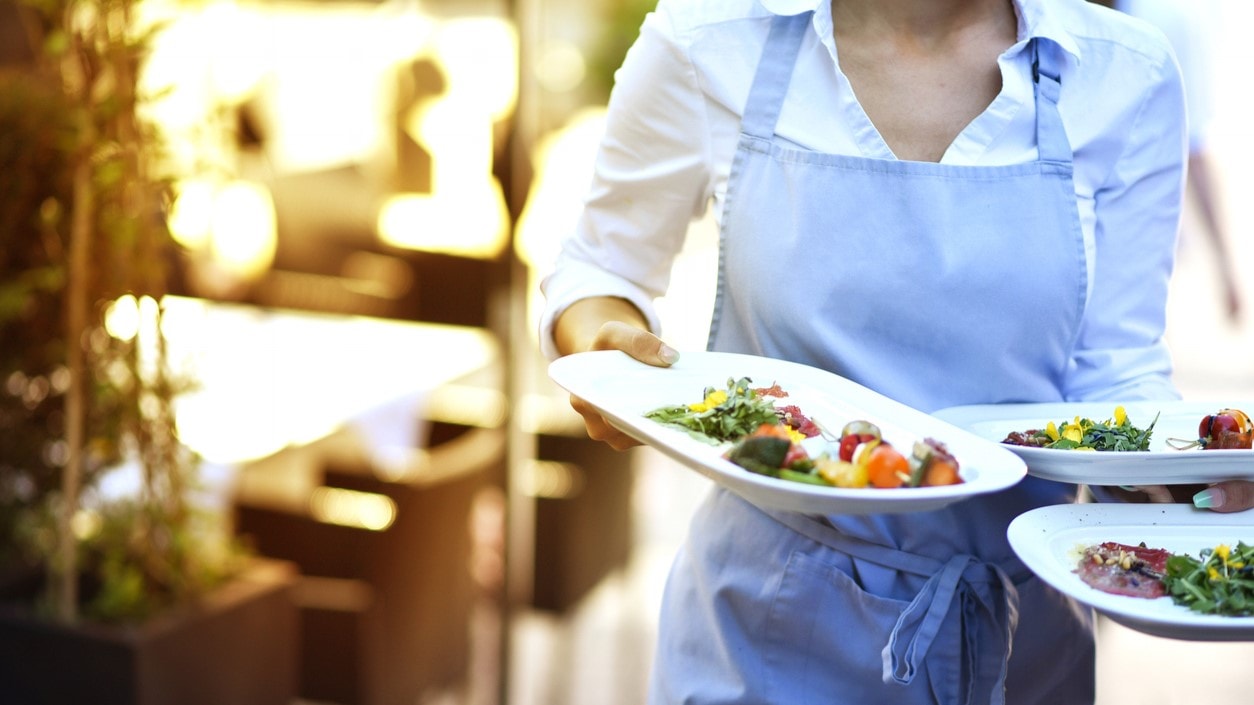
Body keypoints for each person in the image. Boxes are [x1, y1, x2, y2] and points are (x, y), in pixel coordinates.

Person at [538, 0, 1225, 702]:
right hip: (763, 632)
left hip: (1022, 636)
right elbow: (600, 269)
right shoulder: (707, 38)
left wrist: (1176, 476)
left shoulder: (1125, 74)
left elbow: (1116, 366)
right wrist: (605, 347)